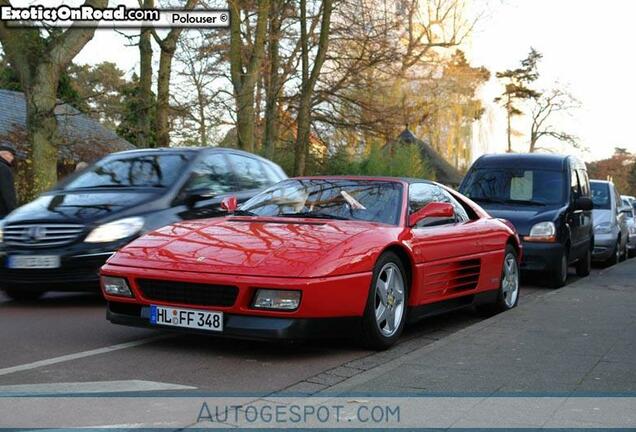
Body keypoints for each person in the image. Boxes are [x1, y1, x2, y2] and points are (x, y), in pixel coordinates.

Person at [0, 143, 18, 218]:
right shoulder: (3, 168)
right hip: (2, 211)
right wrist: (13, 211)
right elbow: (7, 191)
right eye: (11, 155)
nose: (12, 158)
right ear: (3, 153)